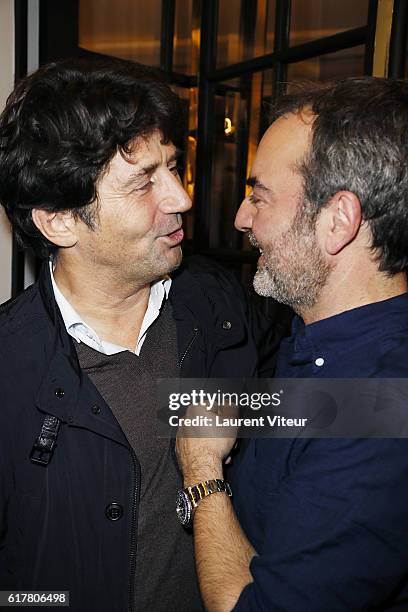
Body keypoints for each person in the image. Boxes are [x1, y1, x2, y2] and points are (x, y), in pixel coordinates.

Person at [0, 57, 265, 612]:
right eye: (144, 181)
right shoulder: (8, 366)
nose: (181, 198)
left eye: (172, 167)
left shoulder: (219, 303)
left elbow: (312, 420)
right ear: (59, 220)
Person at [176, 77, 408, 611]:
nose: (240, 217)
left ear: (337, 221)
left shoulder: (381, 405)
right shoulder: (318, 339)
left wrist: (203, 473)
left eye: (259, 196)